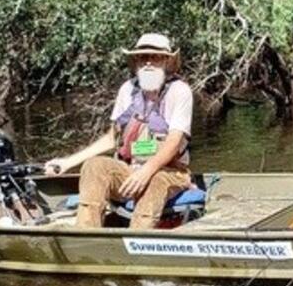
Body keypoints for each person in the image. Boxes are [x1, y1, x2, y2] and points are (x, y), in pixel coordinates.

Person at [43, 33, 195, 229]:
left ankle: (137, 241)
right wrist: (67, 163)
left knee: (154, 181)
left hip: (169, 172)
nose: (148, 62)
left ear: (167, 61)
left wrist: (146, 171)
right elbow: (111, 138)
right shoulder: (128, 89)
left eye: (155, 57)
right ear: (136, 61)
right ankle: (85, 236)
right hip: (130, 169)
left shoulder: (179, 91)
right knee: (94, 166)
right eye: (142, 57)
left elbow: (174, 142)